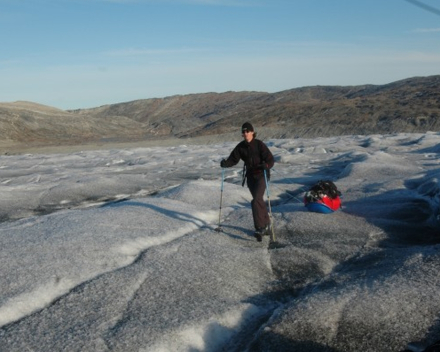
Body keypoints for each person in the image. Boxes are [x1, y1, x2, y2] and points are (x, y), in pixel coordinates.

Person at [220, 122, 275, 242]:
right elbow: (233, 159)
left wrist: (266, 165)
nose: (245, 133)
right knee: (258, 200)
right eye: (243, 132)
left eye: (247, 131)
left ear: (252, 132)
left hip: (262, 174)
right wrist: (225, 163)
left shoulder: (259, 144)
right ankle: (266, 223)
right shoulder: (241, 147)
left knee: (256, 199)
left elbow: (270, 159)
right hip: (250, 176)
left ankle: (260, 227)